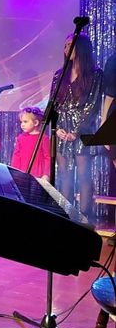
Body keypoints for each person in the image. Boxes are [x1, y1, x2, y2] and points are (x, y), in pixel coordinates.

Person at [51, 33, 103, 221]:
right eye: (65, 45)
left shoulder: (95, 75)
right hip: (62, 131)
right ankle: (66, 217)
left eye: (70, 45)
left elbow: (93, 105)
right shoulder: (59, 75)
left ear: (81, 47)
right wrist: (57, 128)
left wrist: (76, 131)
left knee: (83, 176)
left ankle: (85, 218)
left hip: (83, 131)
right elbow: (54, 104)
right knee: (64, 176)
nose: (66, 49)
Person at [10, 107, 50, 180]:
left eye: (25, 122)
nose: (22, 125)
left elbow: (47, 157)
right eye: (21, 122)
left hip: (38, 175)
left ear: (36, 123)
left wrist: (46, 174)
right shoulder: (20, 138)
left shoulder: (43, 138)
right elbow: (16, 156)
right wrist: (14, 171)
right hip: (22, 174)